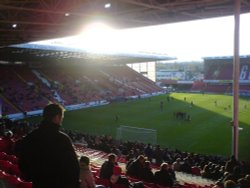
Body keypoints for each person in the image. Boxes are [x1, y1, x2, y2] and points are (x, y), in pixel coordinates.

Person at [15, 103, 80, 188]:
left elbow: (23, 165)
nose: (61, 120)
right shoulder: (62, 139)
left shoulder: (31, 137)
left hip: (39, 184)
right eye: (61, 117)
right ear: (57, 117)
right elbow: (74, 169)